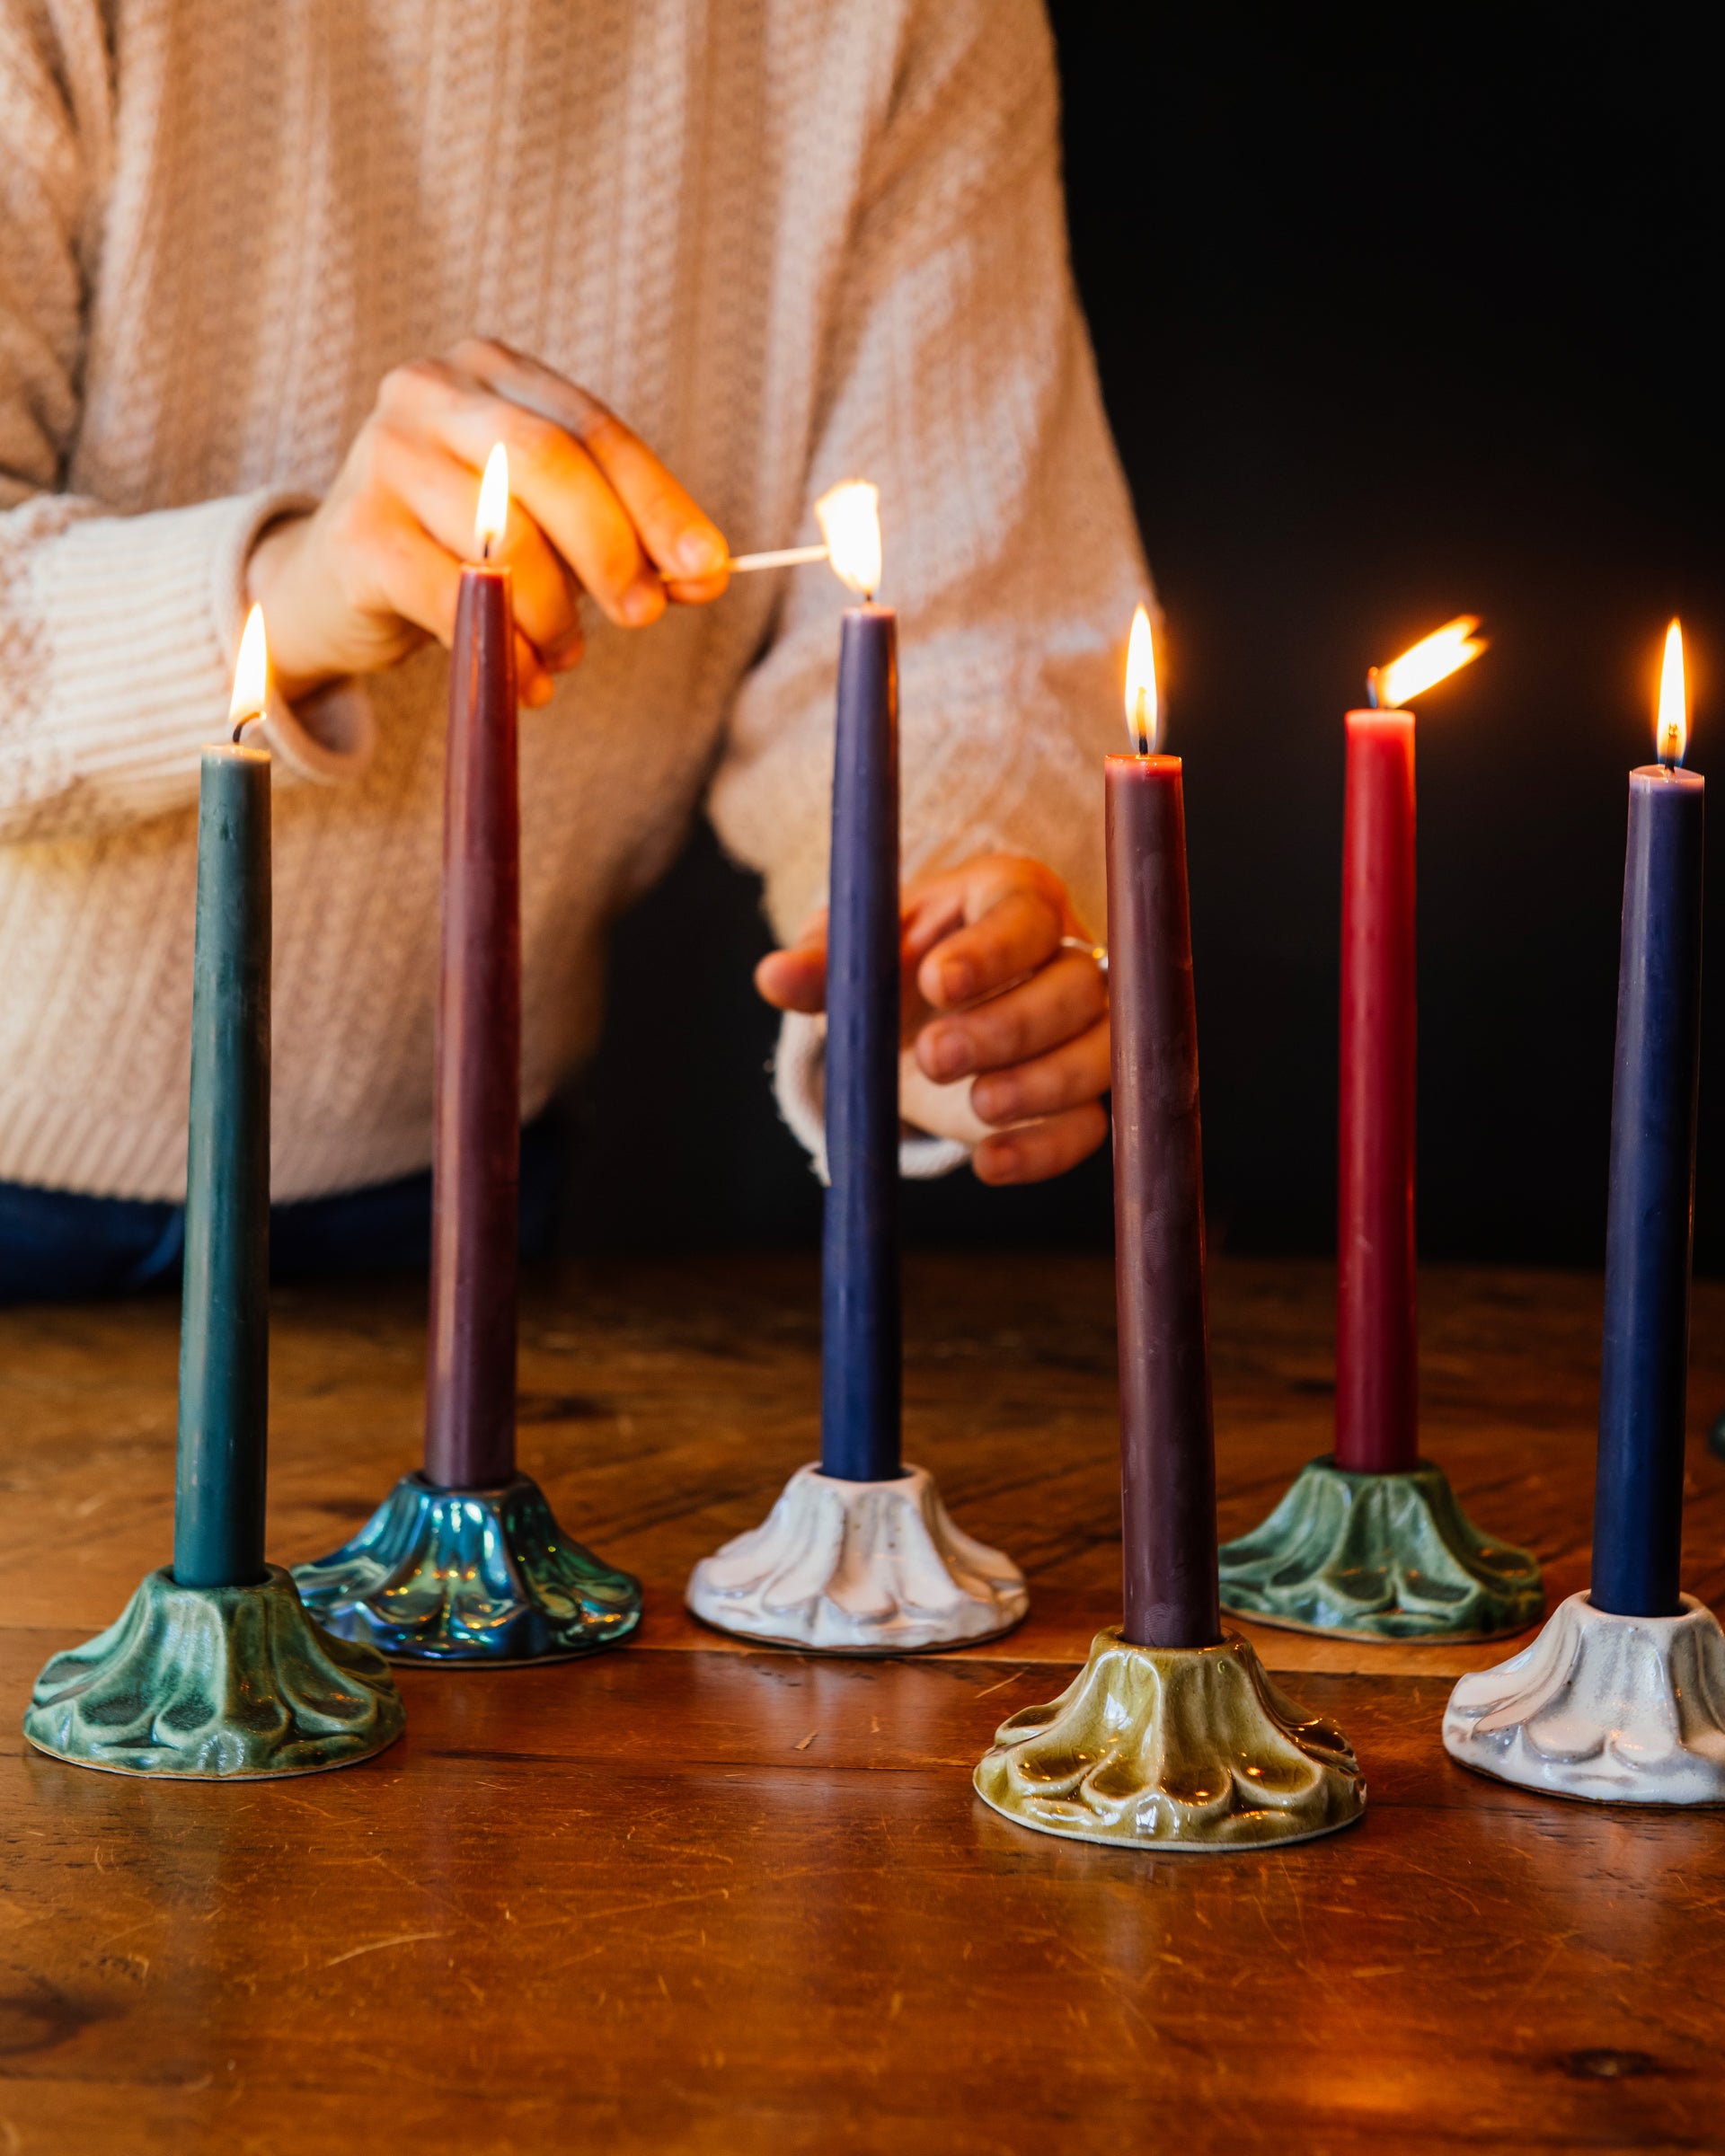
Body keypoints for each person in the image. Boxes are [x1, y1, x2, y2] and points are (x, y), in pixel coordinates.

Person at [0, 0, 1149, 1299]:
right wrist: (294, 590)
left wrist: (943, 942)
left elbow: (968, 632)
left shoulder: (912, 26)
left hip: (460, 1178)